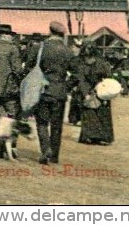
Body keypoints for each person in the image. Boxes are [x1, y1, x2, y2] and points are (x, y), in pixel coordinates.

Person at [25, 21, 75, 164]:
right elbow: (77, 74)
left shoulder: (39, 48)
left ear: (50, 32)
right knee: (57, 125)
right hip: (59, 92)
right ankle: (54, 156)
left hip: (41, 91)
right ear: (62, 34)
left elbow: (28, 68)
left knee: (41, 123)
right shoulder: (68, 51)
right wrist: (66, 86)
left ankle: (45, 149)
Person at [74, 44, 115, 146]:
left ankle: (100, 137)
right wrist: (86, 93)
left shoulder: (101, 63)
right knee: (90, 113)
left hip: (101, 90)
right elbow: (81, 80)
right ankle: (92, 136)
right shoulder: (82, 64)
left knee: (101, 113)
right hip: (89, 90)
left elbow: (108, 76)